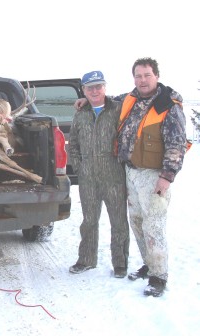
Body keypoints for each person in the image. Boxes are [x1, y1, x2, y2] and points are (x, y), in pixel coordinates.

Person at [75, 58, 187, 297]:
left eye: (147, 75)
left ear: (156, 75)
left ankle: (159, 277)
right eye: (138, 76)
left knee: (153, 225)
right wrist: (87, 100)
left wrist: (167, 176)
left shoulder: (169, 105)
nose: (142, 80)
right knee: (136, 221)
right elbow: (106, 99)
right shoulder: (131, 98)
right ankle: (149, 264)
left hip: (154, 175)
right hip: (130, 171)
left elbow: (176, 144)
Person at [68, 71, 129, 278]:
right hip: (88, 178)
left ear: (105, 87)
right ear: (83, 90)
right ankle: (86, 259)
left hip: (114, 176)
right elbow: (73, 143)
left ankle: (120, 263)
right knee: (89, 221)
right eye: (90, 87)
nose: (95, 91)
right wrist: (79, 167)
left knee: (119, 222)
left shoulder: (118, 109)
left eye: (98, 86)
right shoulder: (81, 112)